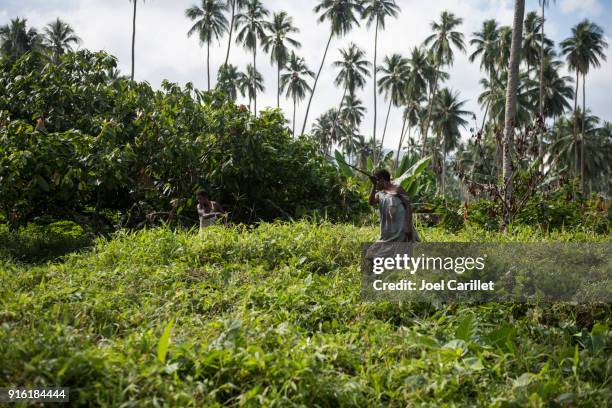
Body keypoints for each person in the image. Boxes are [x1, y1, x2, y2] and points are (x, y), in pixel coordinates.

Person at [368, 168, 419, 243]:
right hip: (387, 233)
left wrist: (408, 225)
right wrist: (374, 184)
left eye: (377, 181)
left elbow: (408, 206)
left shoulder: (397, 189)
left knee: (402, 253)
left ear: (382, 179)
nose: (376, 183)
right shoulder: (380, 194)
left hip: (402, 231)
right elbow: (371, 202)